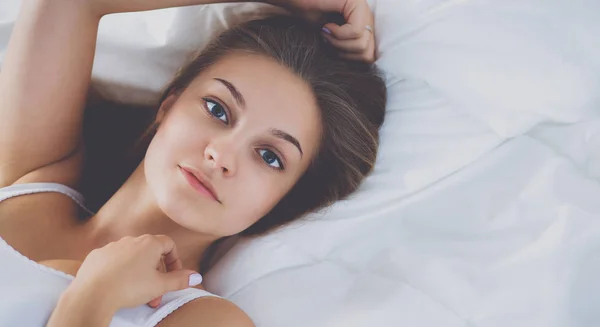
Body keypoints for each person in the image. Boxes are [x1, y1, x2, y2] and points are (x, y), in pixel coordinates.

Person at [0, 0, 386, 326]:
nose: (221, 154)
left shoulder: (205, 321)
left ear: (286, 199)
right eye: (217, 109)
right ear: (169, 105)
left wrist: (92, 299)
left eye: (269, 156)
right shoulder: (32, 178)